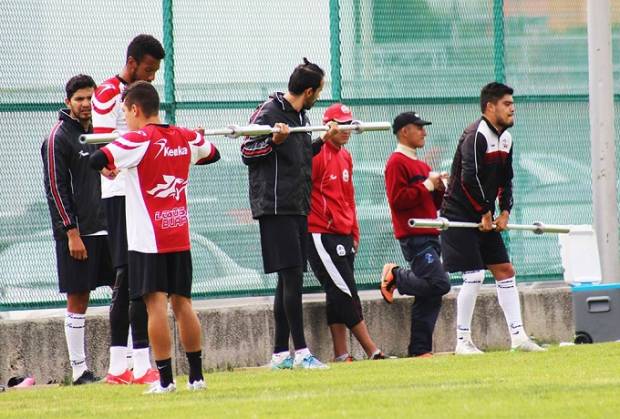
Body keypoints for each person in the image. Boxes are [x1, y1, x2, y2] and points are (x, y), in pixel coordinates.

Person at [90, 81, 220, 393]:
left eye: (125, 111)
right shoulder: (184, 136)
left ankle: (165, 381)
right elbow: (212, 153)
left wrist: (109, 168)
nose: (125, 117)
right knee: (184, 304)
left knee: (155, 307)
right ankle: (197, 377)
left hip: (147, 240)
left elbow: (98, 159)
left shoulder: (137, 139)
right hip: (179, 235)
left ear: (135, 109)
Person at [241, 58, 339, 370]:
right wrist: (273, 140)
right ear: (309, 90)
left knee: (287, 280)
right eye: (319, 90)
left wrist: (322, 138)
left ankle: (280, 354)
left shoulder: (301, 115)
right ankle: (302, 353)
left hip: (297, 204)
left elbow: (298, 155)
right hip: (275, 206)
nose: (319, 96)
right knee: (292, 277)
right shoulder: (269, 111)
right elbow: (246, 151)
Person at [440, 82, 545, 354]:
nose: (513, 109)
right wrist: (485, 212)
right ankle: (462, 341)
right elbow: (468, 178)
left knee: (505, 270)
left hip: (483, 213)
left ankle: (519, 337)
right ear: (490, 106)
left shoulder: (507, 139)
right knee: (474, 275)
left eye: (512, 104)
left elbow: (506, 179)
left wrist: (505, 211)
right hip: (460, 214)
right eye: (507, 104)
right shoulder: (476, 135)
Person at [91, 34, 165, 384]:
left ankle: (123, 365)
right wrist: (109, 163)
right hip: (120, 193)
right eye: (148, 69)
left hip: (140, 194)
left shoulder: (140, 95)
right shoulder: (108, 91)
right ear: (132, 62)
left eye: (156, 71)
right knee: (129, 275)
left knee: (133, 276)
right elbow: (106, 143)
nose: (151, 77)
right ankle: (130, 363)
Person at [41, 74, 114, 385]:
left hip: (109, 229)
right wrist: (72, 232)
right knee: (78, 298)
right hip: (77, 234)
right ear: (68, 101)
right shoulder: (58, 137)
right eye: (80, 99)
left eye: (89, 98)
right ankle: (79, 371)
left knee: (122, 293)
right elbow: (56, 189)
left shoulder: (103, 131)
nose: (86, 104)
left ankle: (123, 365)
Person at [307, 103, 385, 362]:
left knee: (336, 292)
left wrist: (354, 230)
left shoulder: (346, 156)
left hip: (343, 233)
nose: (347, 129)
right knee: (345, 291)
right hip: (320, 233)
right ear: (328, 125)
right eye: (341, 123)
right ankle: (372, 349)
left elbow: (348, 197)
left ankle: (341, 354)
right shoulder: (317, 155)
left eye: (349, 123)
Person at [380, 112, 452, 358]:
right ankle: (396, 276)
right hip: (414, 235)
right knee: (440, 284)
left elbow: (431, 203)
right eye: (419, 127)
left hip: (430, 233)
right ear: (404, 132)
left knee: (430, 294)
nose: (424, 132)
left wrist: (439, 188)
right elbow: (398, 200)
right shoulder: (396, 162)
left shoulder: (422, 166)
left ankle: (420, 350)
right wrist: (428, 185)